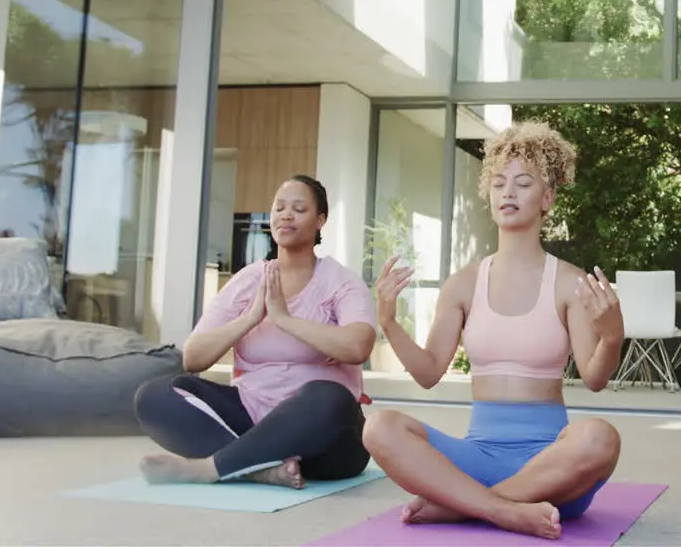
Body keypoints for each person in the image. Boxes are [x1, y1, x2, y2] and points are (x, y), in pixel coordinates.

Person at [362, 121, 624, 541]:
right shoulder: (463, 283)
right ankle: (501, 510)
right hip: (477, 459)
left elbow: (595, 379)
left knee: (599, 438)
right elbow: (429, 373)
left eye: (523, 183)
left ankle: (463, 507)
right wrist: (389, 323)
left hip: (554, 472)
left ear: (548, 199)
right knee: (378, 427)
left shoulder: (569, 282)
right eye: (499, 183)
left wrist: (612, 335)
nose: (508, 192)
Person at [133, 175, 376, 489]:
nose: (286, 215)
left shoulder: (340, 281)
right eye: (279, 208)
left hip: (324, 440)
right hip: (249, 414)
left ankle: (209, 468)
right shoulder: (248, 280)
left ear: (320, 221)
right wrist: (250, 318)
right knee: (153, 396)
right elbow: (193, 357)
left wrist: (284, 319)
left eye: (299, 209)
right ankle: (255, 468)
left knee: (331, 397)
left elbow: (358, 347)